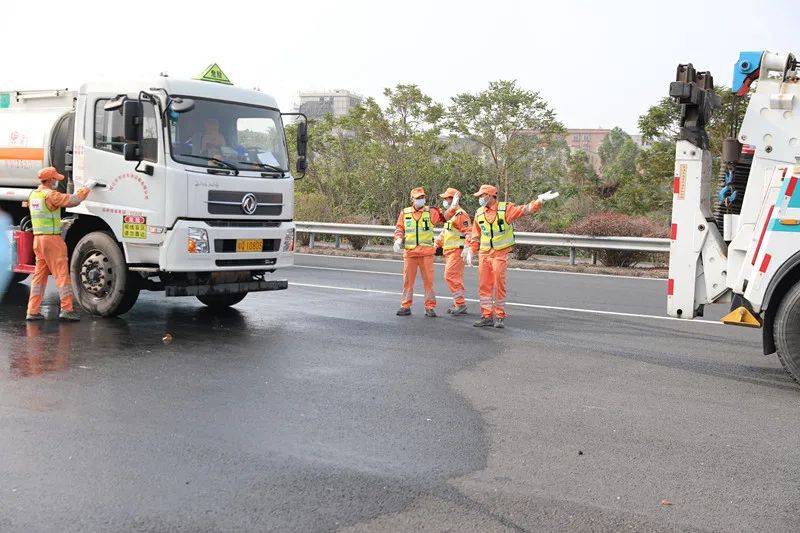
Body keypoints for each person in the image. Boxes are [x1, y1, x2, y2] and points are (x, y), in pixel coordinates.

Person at [465, 184, 559, 328]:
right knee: (484, 286)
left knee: (499, 284)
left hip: (499, 254)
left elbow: (525, 210)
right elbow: (476, 234)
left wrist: (539, 201)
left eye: (482, 196)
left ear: (490, 196)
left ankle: (500, 316)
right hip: (484, 254)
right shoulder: (479, 213)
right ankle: (486, 316)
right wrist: (471, 250)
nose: (480, 198)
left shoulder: (505, 209)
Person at [25, 167, 94, 321]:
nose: (56, 181)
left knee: (38, 277)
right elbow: (74, 201)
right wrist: (87, 188)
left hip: (38, 240)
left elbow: (45, 215)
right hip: (52, 241)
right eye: (55, 178)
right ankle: (67, 309)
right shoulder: (51, 195)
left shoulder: (34, 195)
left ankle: (32, 311)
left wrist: (59, 224)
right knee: (61, 274)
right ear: (49, 180)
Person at [393, 187, 458, 317]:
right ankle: (405, 306)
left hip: (426, 253)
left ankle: (429, 307)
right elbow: (399, 228)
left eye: (422, 197)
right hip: (410, 253)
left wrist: (453, 207)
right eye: (418, 198)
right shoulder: (405, 213)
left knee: (429, 282)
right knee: (407, 281)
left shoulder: (431, 212)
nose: (421, 200)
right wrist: (398, 239)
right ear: (412, 199)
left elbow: (445, 217)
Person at [434, 188, 472, 315]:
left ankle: (460, 304)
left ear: (453, 199)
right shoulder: (452, 215)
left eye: (446, 198)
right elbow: (446, 233)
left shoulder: (461, 214)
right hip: (450, 251)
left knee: (449, 276)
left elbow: (469, 232)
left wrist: (467, 247)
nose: (444, 201)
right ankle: (459, 303)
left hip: (457, 251)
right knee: (455, 278)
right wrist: (436, 243)